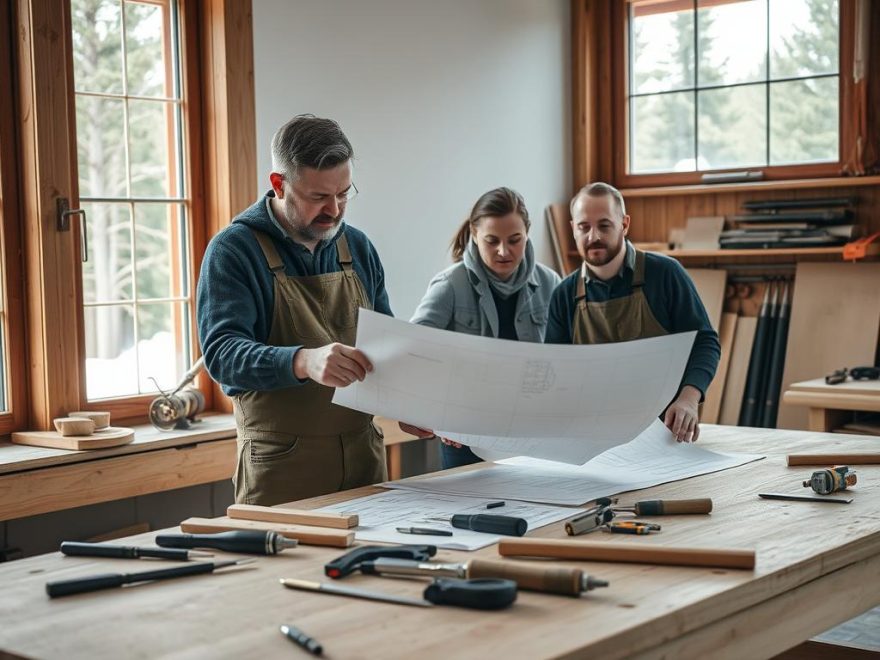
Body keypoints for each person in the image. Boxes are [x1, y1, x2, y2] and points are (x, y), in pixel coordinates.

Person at [197, 114, 392, 506]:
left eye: (343, 193)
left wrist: (411, 404)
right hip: (280, 467)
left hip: (364, 461)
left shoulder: (358, 247)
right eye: (318, 197)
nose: (334, 210)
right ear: (278, 184)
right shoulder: (234, 251)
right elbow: (221, 356)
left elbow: (388, 345)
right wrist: (302, 361)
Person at [546, 182, 720, 443]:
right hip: (592, 439)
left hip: (665, 435)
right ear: (572, 228)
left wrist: (688, 400)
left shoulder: (665, 274)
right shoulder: (564, 294)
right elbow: (556, 370)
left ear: (624, 224)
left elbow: (705, 342)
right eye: (584, 227)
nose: (593, 236)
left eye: (604, 225)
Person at [406, 187, 561, 468]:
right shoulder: (450, 285)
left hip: (534, 435)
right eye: (492, 240)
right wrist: (438, 414)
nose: (504, 251)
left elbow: (568, 360)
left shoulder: (551, 283)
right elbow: (414, 352)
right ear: (474, 235)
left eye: (515, 240)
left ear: (527, 233)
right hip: (467, 438)